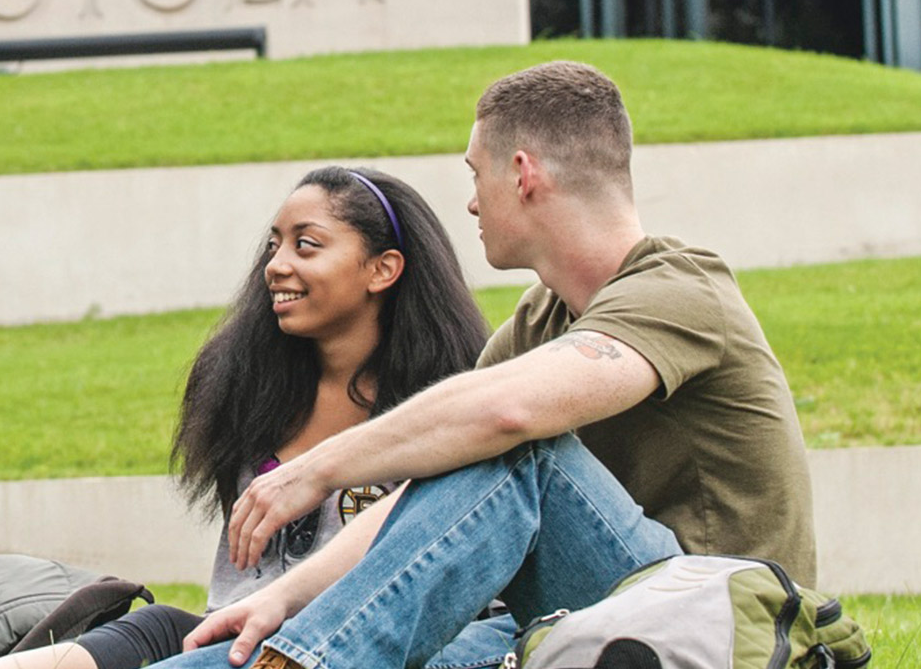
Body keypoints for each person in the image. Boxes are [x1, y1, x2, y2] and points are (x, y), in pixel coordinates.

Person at [163, 60, 820, 669]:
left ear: (523, 174)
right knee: (300, 636)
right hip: (587, 617)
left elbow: (509, 419)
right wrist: (287, 597)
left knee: (519, 449)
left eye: (476, 175)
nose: (472, 203)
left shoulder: (682, 289)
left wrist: (316, 470)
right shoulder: (539, 321)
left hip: (726, 628)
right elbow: (431, 497)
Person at [0, 167, 508, 669]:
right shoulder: (250, 385)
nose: (276, 264)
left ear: (383, 270)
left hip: (359, 645)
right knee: (154, 627)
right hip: (231, 633)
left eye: (307, 244)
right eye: (274, 243)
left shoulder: (446, 404)